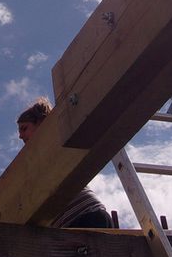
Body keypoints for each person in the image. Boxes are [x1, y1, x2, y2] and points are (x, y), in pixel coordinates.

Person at [17, 97, 113, 228]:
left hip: (85, 216)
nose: (20, 136)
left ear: (40, 123)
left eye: (24, 128)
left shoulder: (56, 145)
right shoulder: (39, 160)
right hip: (77, 220)